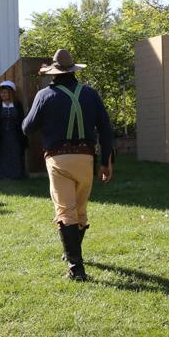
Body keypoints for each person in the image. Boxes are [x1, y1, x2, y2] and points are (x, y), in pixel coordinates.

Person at [22, 49, 114, 281]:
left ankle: (76, 268)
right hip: (86, 159)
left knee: (65, 211)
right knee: (80, 211)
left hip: (58, 159)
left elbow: (27, 127)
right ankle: (72, 253)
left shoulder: (44, 94)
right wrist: (106, 161)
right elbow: (106, 129)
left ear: (54, 73)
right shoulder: (91, 94)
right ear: (73, 71)